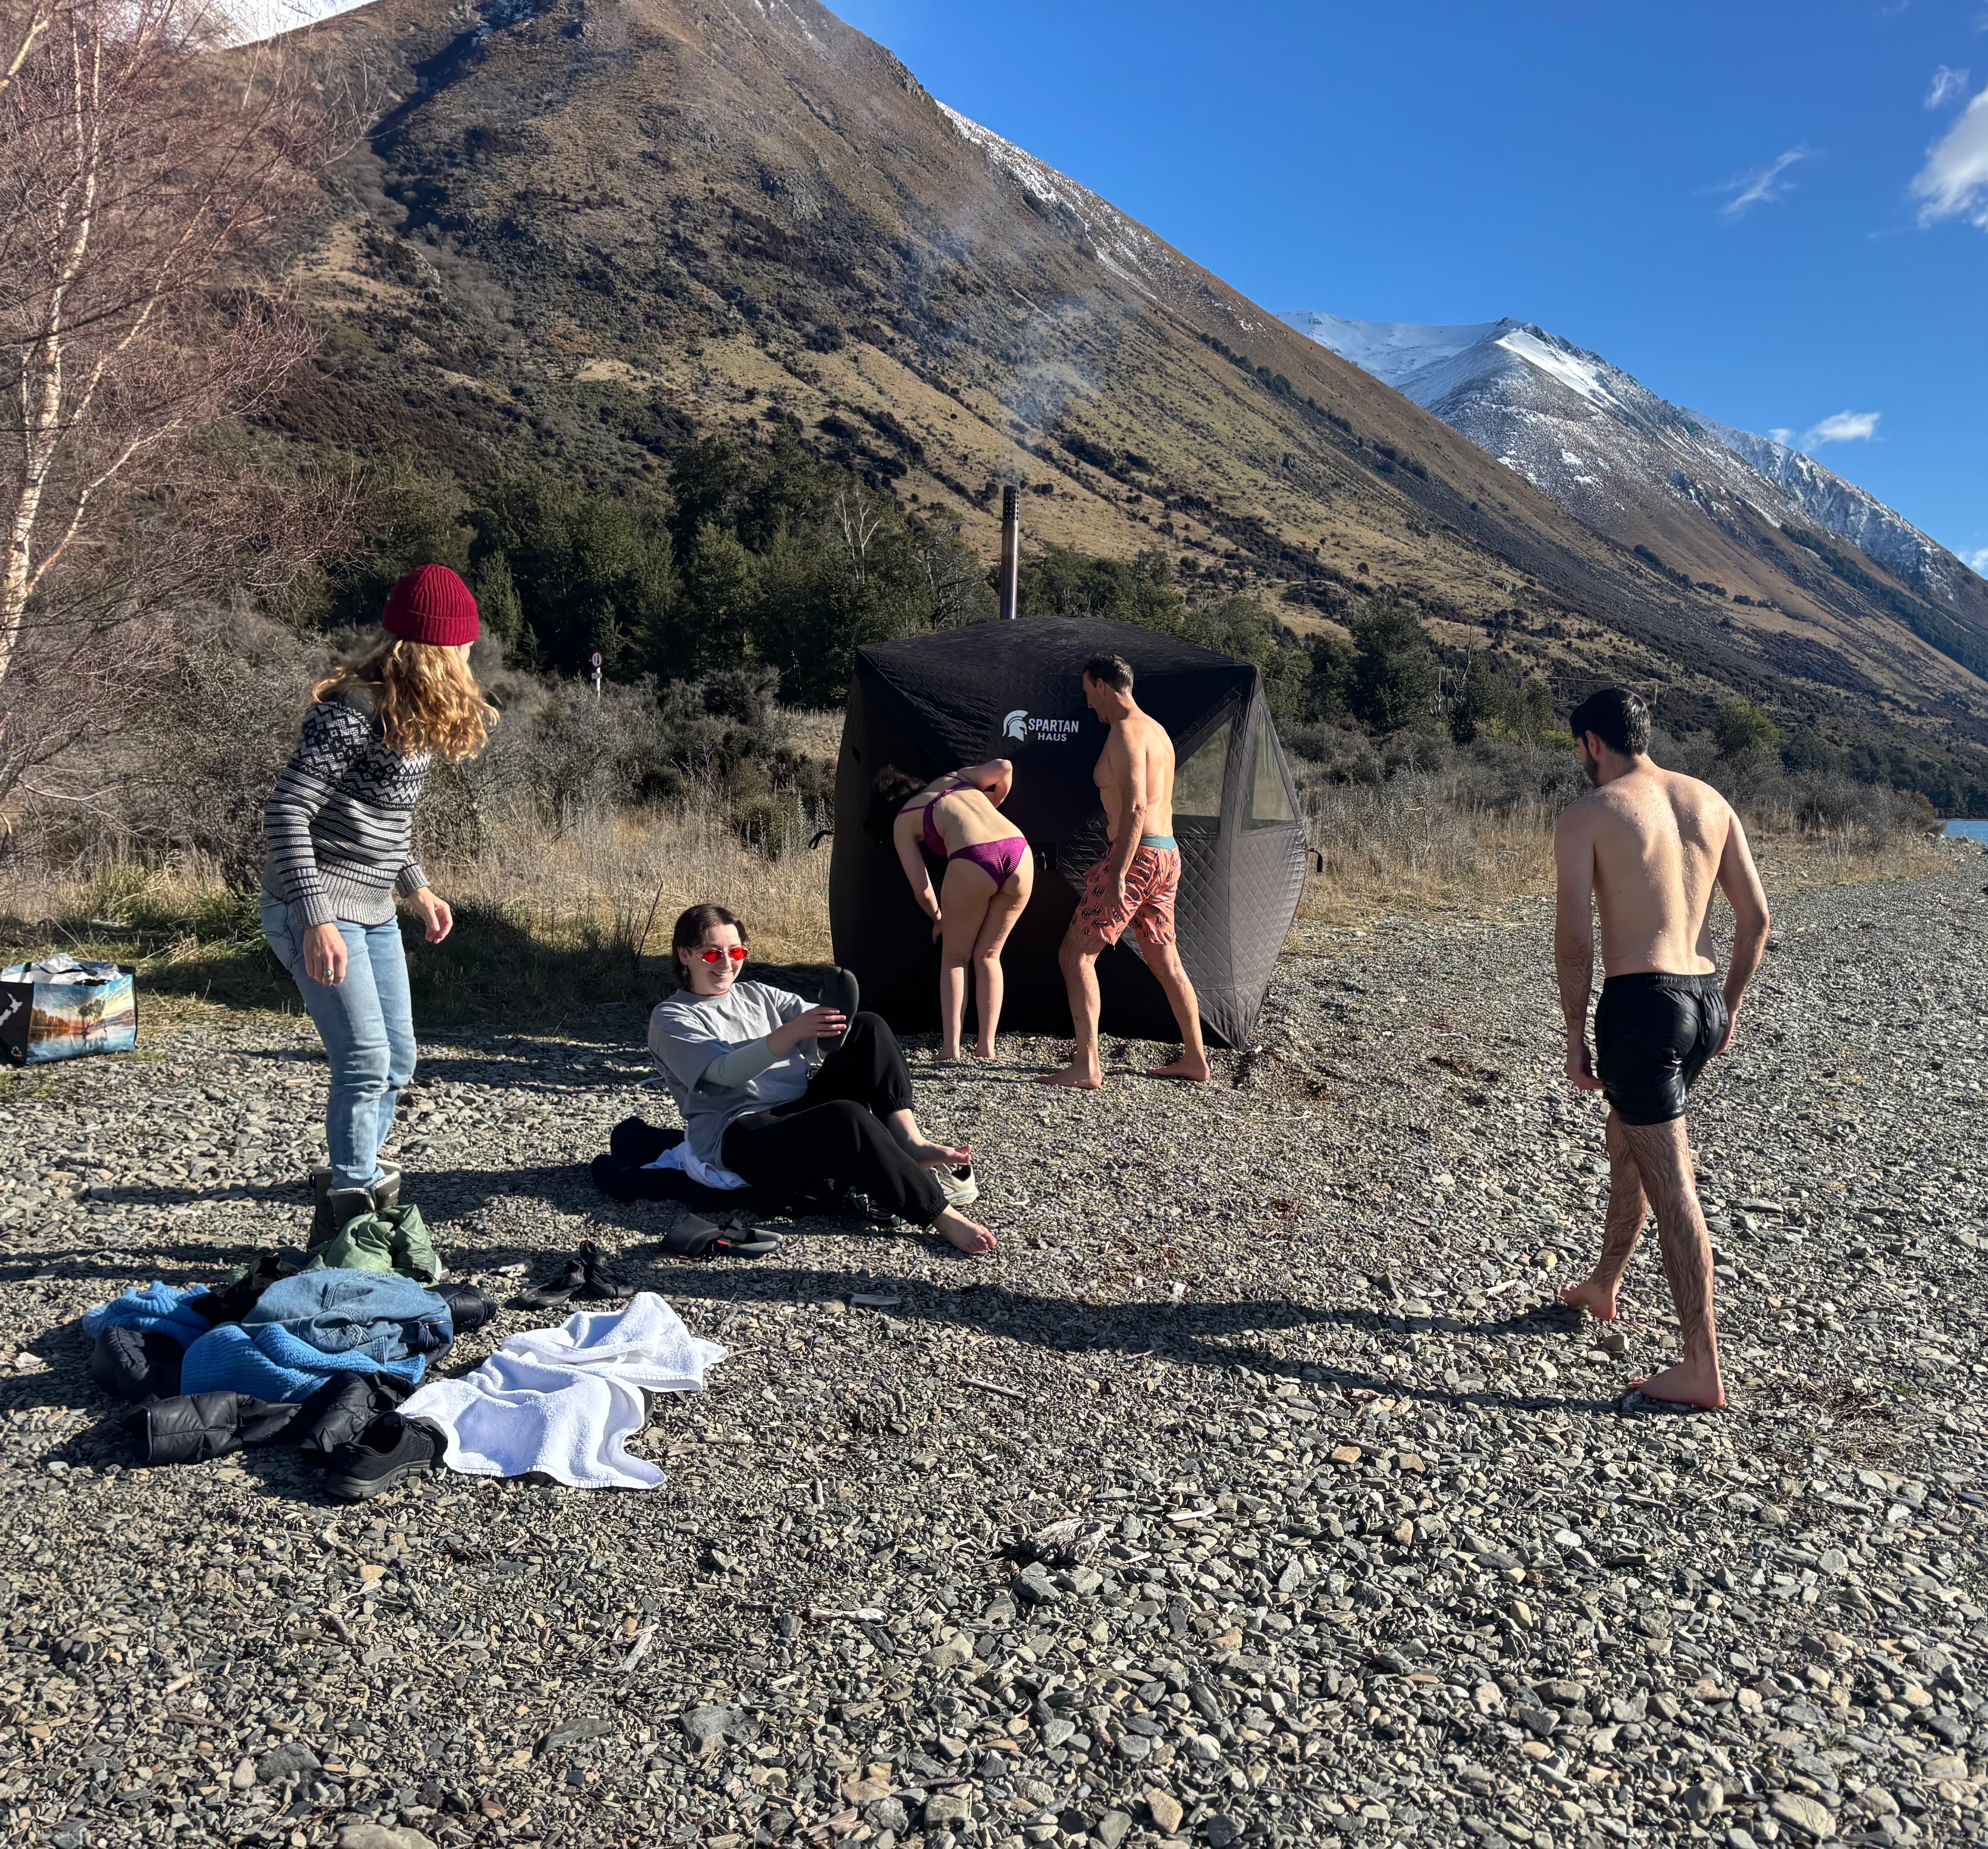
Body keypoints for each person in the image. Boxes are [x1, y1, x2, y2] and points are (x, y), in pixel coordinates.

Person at [1552, 687, 1771, 1410]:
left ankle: (1702, 1365)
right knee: (1631, 1139)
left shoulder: (1590, 813)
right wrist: (1729, 1007)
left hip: (1643, 1004)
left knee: (1673, 1181)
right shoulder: (1710, 800)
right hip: (1701, 998)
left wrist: (1575, 1034)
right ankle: (1604, 1284)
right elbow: (1757, 918)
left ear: (1592, 742)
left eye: (1580, 748)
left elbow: (1576, 940)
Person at [262, 564, 493, 1239]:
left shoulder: (413, 712)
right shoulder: (352, 710)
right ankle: (350, 1213)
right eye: (464, 643)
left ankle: (356, 1183)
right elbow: (287, 812)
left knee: (397, 1059)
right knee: (364, 1060)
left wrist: (417, 885)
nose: (470, 654)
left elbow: (385, 819)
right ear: (438, 647)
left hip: (373, 906)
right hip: (315, 907)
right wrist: (316, 918)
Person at [647, 904, 997, 1255]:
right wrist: (791, 1033)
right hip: (740, 1134)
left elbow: (823, 1029)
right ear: (685, 954)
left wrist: (833, 1014)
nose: (726, 963)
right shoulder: (671, 1017)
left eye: (736, 952)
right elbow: (725, 1073)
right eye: (712, 954)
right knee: (846, 1117)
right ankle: (940, 1213)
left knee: (869, 1027)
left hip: (794, 1110)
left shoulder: (758, 995)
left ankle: (910, 1142)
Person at [1042, 653, 1210, 1088]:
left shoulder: (1125, 731)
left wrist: (1117, 874)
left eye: (1088, 692)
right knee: (1166, 960)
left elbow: (1136, 807)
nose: (1088, 703)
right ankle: (1195, 1059)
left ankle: (1087, 1065)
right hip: (1167, 854)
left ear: (1102, 685)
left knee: (1076, 954)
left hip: (1136, 857)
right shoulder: (1158, 732)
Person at [867, 759, 1033, 1060]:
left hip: (974, 857)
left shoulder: (903, 820)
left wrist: (939, 919)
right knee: (989, 956)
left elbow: (923, 889)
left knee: (956, 958)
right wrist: (993, 805)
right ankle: (987, 1048)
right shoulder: (956, 778)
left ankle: (951, 1049)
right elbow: (1005, 766)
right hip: (1020, 851)